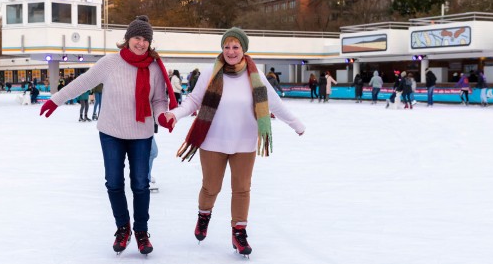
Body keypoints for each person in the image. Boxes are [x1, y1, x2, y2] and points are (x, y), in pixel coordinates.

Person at [160, 27, 305, 256]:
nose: (230, 51)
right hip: (212, 141)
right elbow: (193, 101)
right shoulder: (210, 73)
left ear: (243, 49)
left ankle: (239, 232)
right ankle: (204, 215)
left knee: (242, 189)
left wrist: (296, 124)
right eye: (226, 46)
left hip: (244, 143)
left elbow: (275, 104)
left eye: (235, 46)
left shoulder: (255, 77)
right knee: (211, 187)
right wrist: (175, 114)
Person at [39, 15, 177, 255]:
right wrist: (56, 99)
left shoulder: (154, 68)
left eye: (145, 39)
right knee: (114, 182)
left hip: (142, 133)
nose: (141, 43)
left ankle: (141, 231)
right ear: (127, 39)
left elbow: (158, 99)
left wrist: (162, 115)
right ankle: (123, 228)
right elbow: (84, 82)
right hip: (111, 132)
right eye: (137, 37)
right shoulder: (110, 62)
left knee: (141, 184)